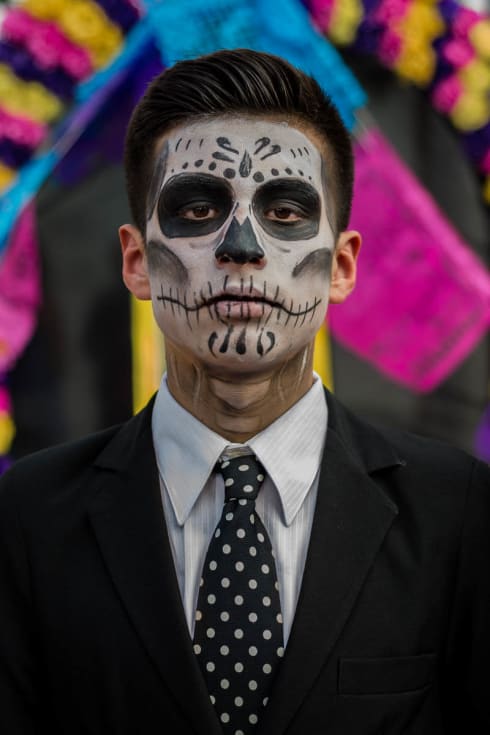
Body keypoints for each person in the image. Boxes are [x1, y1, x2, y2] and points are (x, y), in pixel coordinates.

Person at [0, 48, 489, 735]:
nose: (241, 246)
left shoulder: (460, 516)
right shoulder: (24, 520)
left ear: (341, 265)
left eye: (285, 209)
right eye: (197, 206)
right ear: (137, 261)